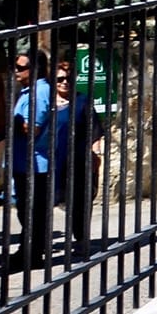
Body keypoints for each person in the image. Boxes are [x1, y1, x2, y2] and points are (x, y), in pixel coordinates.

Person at [47, 64, 104, 259]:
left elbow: (94, 130)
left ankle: (80, 240)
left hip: (78, 161)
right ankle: (41, 242)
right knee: (45, 202)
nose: (65, 83)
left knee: (79, 202)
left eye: (68, 79)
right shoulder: (46, 102)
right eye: (60, 79)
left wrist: (96, 155)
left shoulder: (82, 101)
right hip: (50, 161)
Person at [7, 50, 53, 268]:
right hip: (24, 163)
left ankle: (32, 254)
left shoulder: (40, 92)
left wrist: (11, 122)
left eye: (21, 67)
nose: (16, 71)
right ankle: (28, 251)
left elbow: (32, 129)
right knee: (27, 211)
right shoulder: (29, 91)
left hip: (35, 164)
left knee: (31, 211)